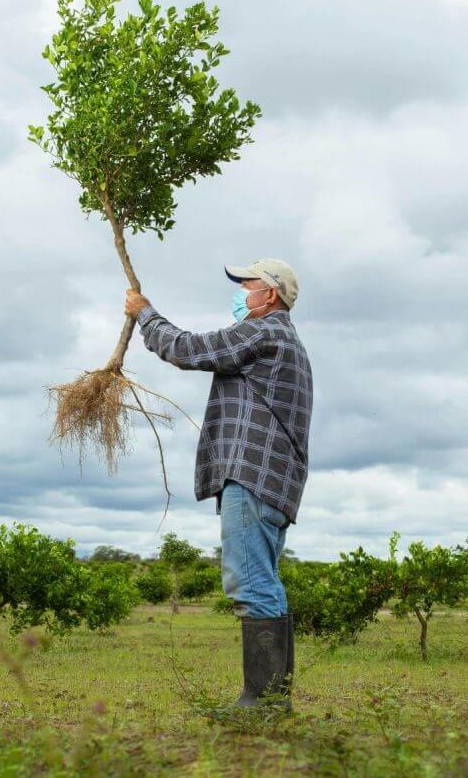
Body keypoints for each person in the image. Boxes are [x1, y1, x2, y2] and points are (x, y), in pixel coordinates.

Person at [124, 258, 313, 711]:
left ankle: (262, 701)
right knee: (264, 580)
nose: (239, 291)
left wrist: (144, 314)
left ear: (269, 295)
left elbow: (188, 349)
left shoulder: (264, 331)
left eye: (246, 284)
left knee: (249, 582)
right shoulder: (286, 339)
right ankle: (273, 700)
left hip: (252, 475)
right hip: (274, 480)